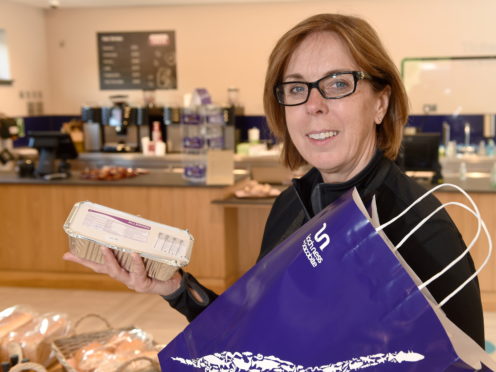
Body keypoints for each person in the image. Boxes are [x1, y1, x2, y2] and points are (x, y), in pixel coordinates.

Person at [63, 13, 485, 348]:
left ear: (380, 102)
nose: (314, 105)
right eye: (296, 88)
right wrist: (176, 288)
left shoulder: (424, 232)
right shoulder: (292, 206)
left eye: (338, 83)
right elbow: (251, 334)